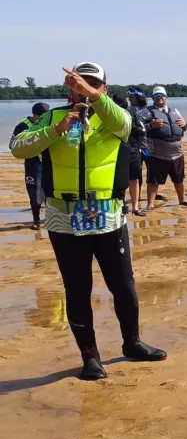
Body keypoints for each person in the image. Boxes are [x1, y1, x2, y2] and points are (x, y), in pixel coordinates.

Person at [10, 62, 166, 381]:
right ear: (68, 87)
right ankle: (90, 357)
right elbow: (17, 148)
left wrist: (94, 98)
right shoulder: (53, 117)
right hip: (63, 218)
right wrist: (56, 130)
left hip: (107, 215)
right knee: (78, 288)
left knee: (123, 285)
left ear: (103, 89)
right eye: (77, 84)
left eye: (91, 83)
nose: (82, 88)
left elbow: (128, 127)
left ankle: (132, 343)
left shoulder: (117, 117)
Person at [142, 86, 187, 209]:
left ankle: (182, 200)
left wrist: (186, 124)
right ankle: (150, 204)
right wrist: (151, 126)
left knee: (179, 178)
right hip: (158, 152)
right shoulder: (147, 112)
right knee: (154, 180)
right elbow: (139, 128)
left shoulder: (174, 110)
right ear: (153, 98)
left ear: (166, 97)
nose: (160, 98)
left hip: (177, 152)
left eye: (161, 96)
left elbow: (185, 127)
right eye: (157, 96)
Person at [9, 102, 50, 229]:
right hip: (33, 165)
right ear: (35, 115)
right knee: (35, 194)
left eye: (46, 116)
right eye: (42, 116)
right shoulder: (23, 126)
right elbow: (12, 145)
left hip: (49, 163)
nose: (44, 118)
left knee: (50, 193)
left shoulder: (49, 122)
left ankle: (49, 220)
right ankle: (36, 221)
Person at [125, 89, 149, 216]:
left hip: (147, 145)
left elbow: (149, 127)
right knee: (134, 177)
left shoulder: (147, 111)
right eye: (129, 97)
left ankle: (143, 201)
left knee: (146, 174)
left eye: (132, 97)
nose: (130, 99)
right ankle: (134, 203)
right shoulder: (128, 111)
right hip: (133, 147)